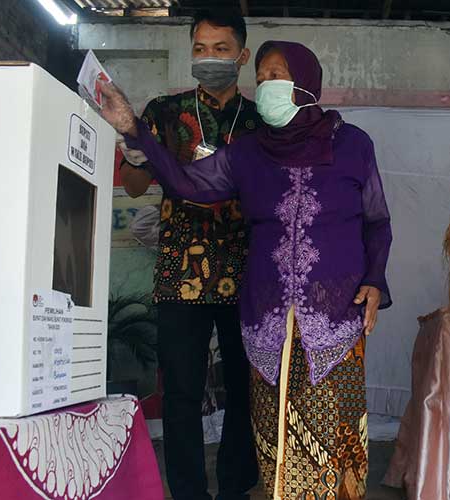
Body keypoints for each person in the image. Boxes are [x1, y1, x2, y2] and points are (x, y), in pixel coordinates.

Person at [99, 40, 392, 500]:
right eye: (264, 75)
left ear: (307, 82)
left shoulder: (353, 144)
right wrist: (135, 130)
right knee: (273, 431)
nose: (269, 84)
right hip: (265, 312)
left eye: (279, 74)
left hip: (335, 312)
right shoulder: (249, 152)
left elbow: (376, 220)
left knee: (333, 433)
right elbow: (187, 182)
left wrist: (375, 280)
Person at [116, 9, 260, 500]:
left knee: (245, 391)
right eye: (200, 48)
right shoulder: (163, 111)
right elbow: (135, 188)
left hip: (249, 276)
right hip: (182, 273)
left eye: (220, 49)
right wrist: (135, 152)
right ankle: (188, 491)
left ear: (241, 55)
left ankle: (236, 487)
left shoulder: (262, 121)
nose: (209, 57)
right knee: (181, 393)